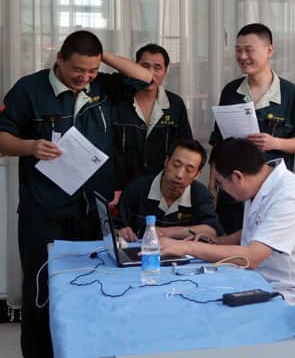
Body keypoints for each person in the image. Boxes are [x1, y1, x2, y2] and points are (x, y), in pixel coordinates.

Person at [0, 30, 153, 358]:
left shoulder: (102, 86)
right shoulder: (30, 89)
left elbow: (144, 77)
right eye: (77, 70)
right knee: (42, 291)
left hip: (92, 211)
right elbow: (2, 136)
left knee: (92, 286)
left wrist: (99, 55)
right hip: (45, 211)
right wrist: (30, 146)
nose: (85, 78)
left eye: (92, 70)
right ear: (59, 59)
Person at [161, 138, 295, 307]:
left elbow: (251, 257)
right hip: (260, 280)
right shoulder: (260, 183)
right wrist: (218, 241)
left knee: (202, 304)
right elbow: (258, 229)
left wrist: (187, 247)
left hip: (289, 295)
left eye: (220, 184)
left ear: (237, 177)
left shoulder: (289, 198)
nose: (222, 189)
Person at [208, 23, 295, 234]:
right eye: (238, 50)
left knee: (261, 245)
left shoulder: (290, 93)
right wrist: (213, 184)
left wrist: (275, 143)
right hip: (232, 192)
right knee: (229, 243)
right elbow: (218, 142)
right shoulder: (231, 91)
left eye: (249, 50)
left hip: (270, 194)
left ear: (269, 50)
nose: (242, 56)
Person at [112, 43, 192, 191]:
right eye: (145, 66)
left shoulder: (175, 104)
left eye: (157, 68)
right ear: (135, 67)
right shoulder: (118, 102)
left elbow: (186, 148)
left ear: (166, 71)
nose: (150, 73)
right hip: (121, 190)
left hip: (162, 188)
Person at [116, 138, 223, 242]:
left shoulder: (200, 194)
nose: (179, 175)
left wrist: (167, 232)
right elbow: (114, 226)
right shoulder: (137, 188)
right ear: (166, 162)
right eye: (176, 165)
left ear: (197, 175)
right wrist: (120, 232)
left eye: (189, 170)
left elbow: (212, 230)